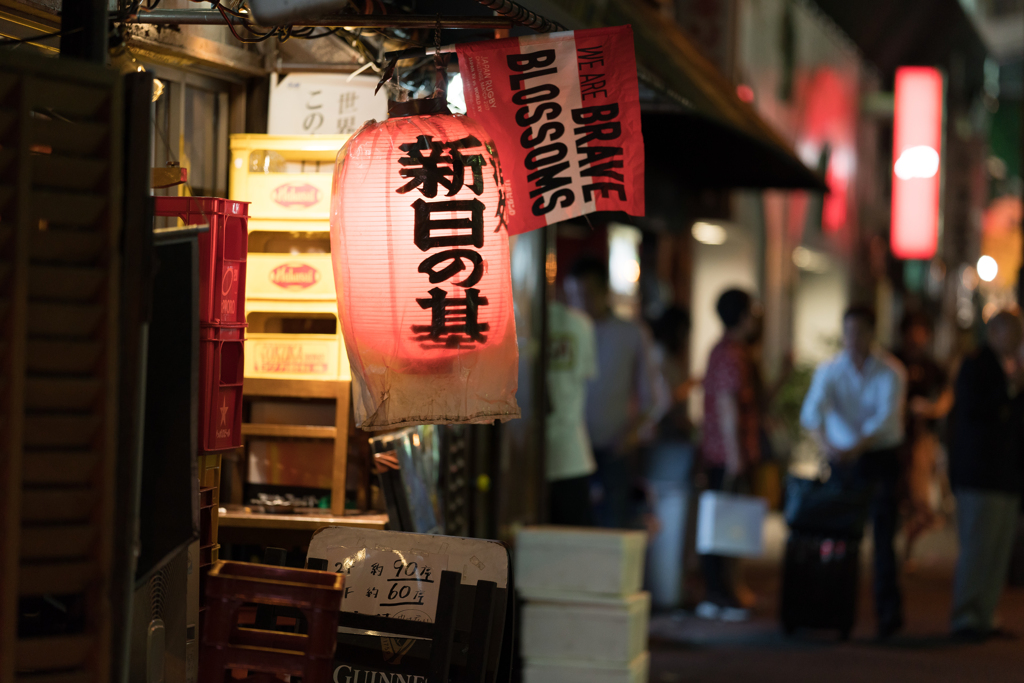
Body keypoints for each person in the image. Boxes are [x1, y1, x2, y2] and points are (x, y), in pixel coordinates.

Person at [799, 305, 907, 640]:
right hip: (841, 460)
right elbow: (811, 413)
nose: (852, 339)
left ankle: (888, 617)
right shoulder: (831, 370)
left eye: (859, 332)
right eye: (848, 332)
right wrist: (830, 447)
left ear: (872, 334)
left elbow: (886, 421)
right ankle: (831, 610)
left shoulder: (890, 371)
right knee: (838, 539)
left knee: (883, 539)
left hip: (879, 458)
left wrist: (851, 447)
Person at [947, 311, 1024, 641]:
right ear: (994, 331)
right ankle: (966, 613)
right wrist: (1010, 390)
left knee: (998, 548)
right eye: (1012, 331)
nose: (1017, 337)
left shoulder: (1011, 367)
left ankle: (985, 613)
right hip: (980, 473)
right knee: (979, 545)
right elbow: (976, 411)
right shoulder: (977, 364)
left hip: (1007, 474)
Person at [566, 257, 659, 528]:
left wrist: (629, 437)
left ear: (604, 292)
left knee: (612, 528)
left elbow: (652, 397)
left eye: (587, 294)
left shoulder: (630, 333)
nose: (580, 302)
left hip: (613, 447)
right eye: (574, 295)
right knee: (571, 528)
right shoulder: (564, 332)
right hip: (569, 447)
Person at [697, 289, 761, 621]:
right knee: (727, 526)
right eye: (752, 312)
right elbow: (728, 406)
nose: (756, 318)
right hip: (728, 455)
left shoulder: (725, 351)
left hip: (721, 453)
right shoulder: (731, 354)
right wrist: (737, 457)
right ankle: (721, 595)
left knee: (724, 523)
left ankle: (724, 593)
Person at [646, 307, 698, 610]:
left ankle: (668, 585)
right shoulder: (662, 356)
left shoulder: (661, 354)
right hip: (665, 444)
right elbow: (665, 401)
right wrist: (690, 385)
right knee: (667, 510)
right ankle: (666, 587)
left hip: (666, 444)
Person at [894, 312, 953, 563]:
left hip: (921, 439)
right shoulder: (893, 361)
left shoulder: (932, 367)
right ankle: (895, 551)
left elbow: (947, 396)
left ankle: (907, 548)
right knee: (898, 496)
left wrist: (930, 409)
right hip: (894, 440)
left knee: (920, 499)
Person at [545, 298, 599, 526]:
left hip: (529, 455)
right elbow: (588, 375)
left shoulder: (517, 321)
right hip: (573, 452)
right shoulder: (580, 324)